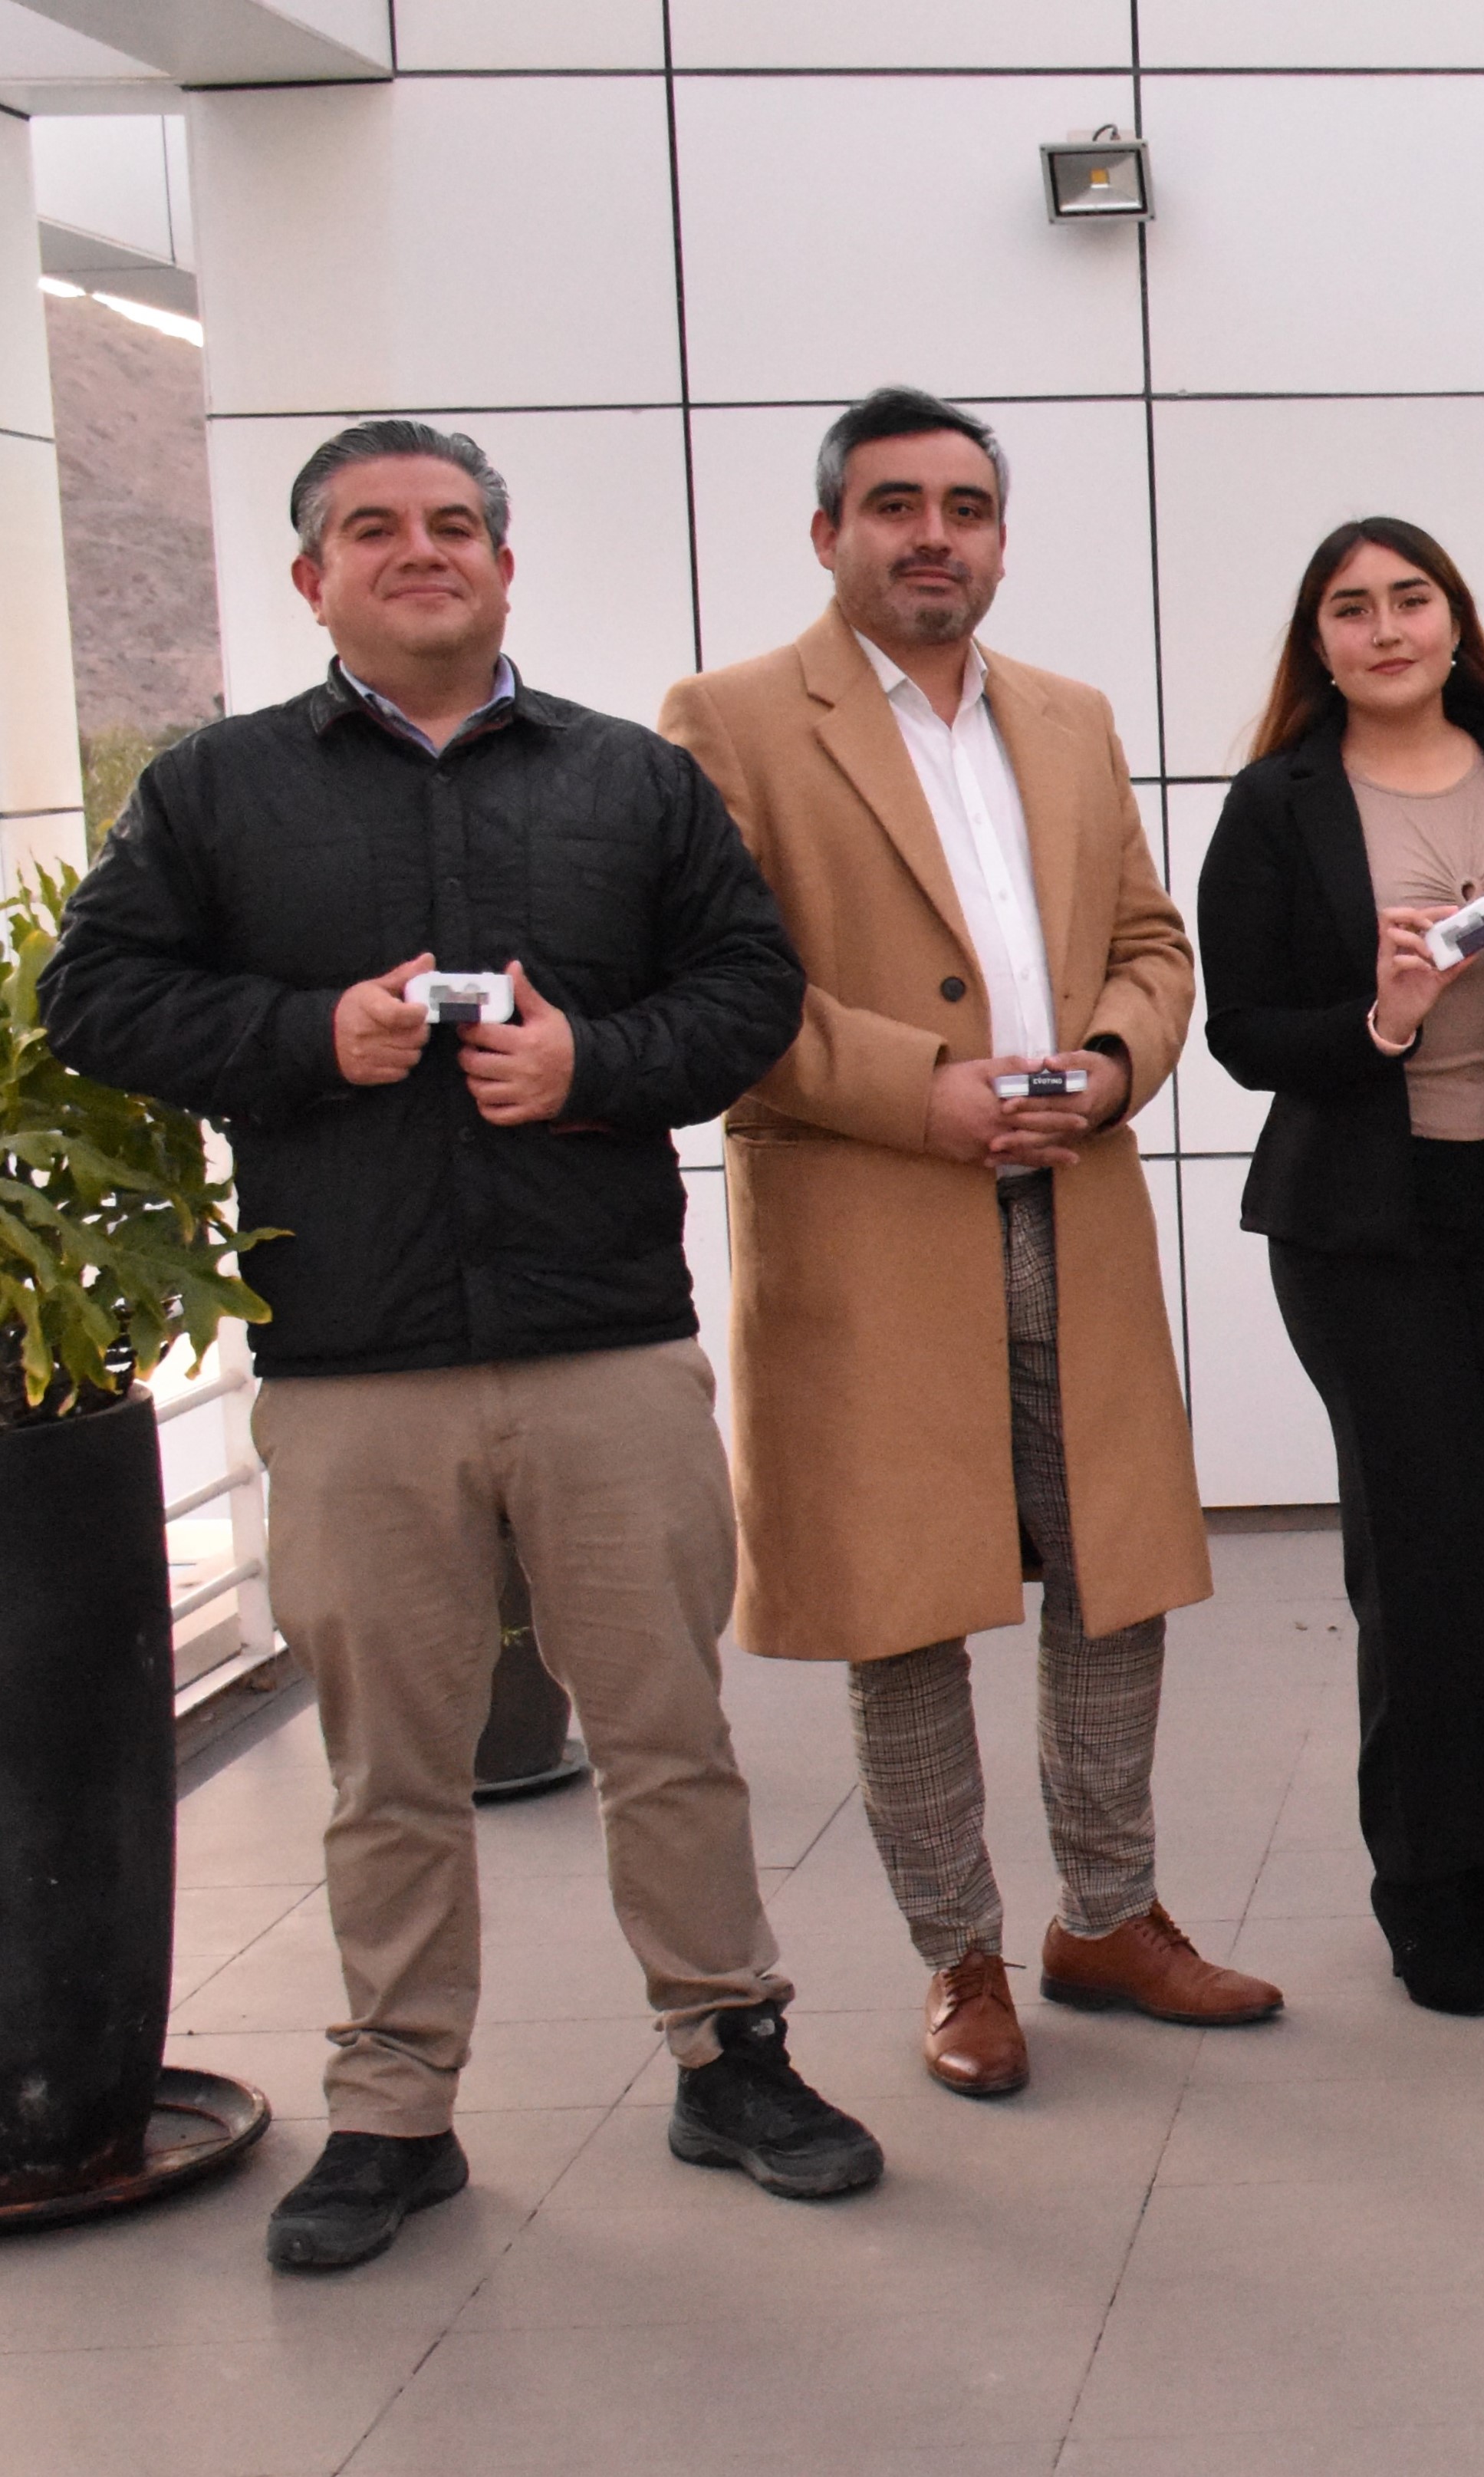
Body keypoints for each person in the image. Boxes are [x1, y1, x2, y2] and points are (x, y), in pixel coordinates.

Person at [41, 420, 880, 2270]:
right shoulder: (215, 791)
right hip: (352, 1358)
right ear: (310, 579)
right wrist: (294, 1036)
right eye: (372, 530)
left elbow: (745, 994)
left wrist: (596, 1065)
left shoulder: (627, 783)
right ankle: (394, 2107)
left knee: (667, 1728)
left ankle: (730, 2052)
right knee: (388, 1759)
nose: (418, 552)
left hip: (602, 1340)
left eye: (451, 526)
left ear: (503, 565)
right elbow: (92, 993)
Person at [660, 390, 1268, 2100]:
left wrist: (1111, 1061)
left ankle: (1110, 1915)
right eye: (894, 503)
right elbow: (724, 988)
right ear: (826, 532)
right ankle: (958, 1960)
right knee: (903, 1602)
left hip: (1068, 1202)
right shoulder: (723, 721)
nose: (934, 533)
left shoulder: (1066, 718)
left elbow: (1151, 942)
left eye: (967, 506)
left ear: (1000, 533)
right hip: (872, 1216)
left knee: (1111, 1573)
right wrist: (913, 1090)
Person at [1199, 516, 1484, 2015]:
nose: (1383, 628)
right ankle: (1416, 1879)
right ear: (1320, 644)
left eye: (1408, 598)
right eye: (1349, 608)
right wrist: (1378, 1019)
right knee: (1418, 1546)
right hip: (1369, 1216)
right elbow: (1242, 1032)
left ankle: (1471, 1859)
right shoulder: (1278, 804)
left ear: (1453, 619)